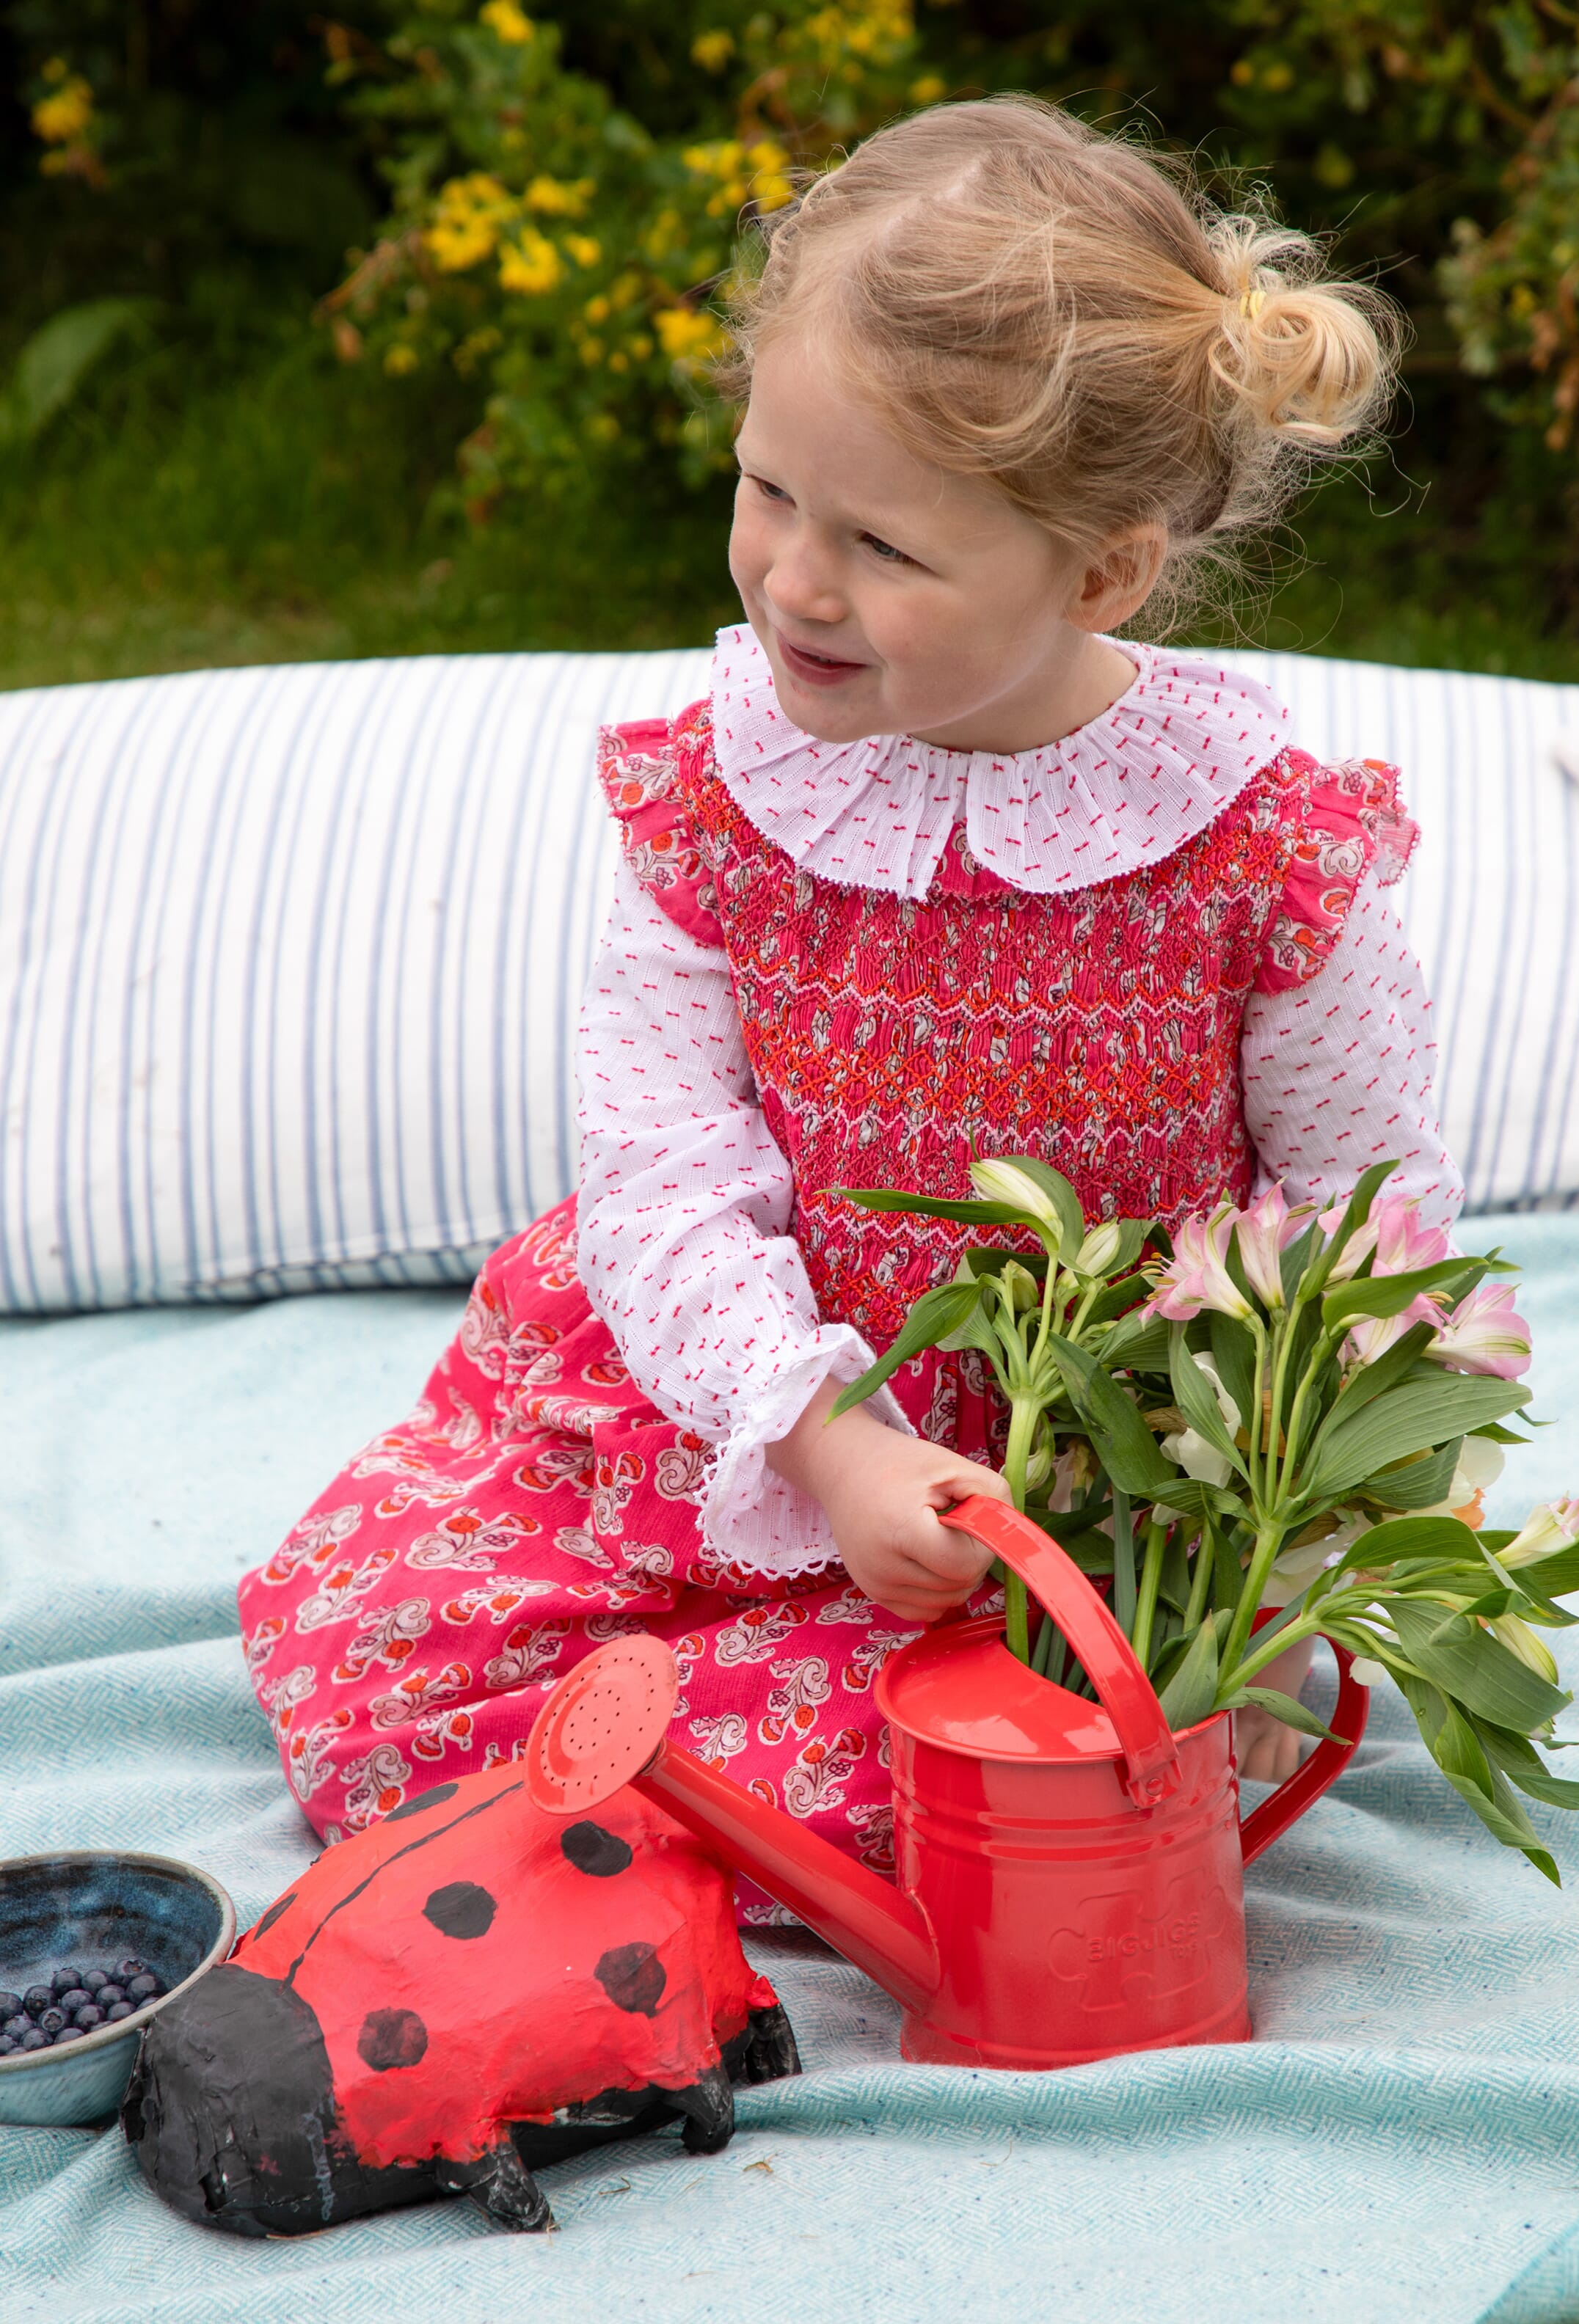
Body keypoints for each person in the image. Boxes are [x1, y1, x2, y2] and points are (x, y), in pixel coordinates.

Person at [239, 96, 1463, 1910]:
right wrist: (821, 1442)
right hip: (756, 1414)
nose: (795, 581)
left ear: (1100, 571)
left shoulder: (1255, 854)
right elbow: (656, 1164)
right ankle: (799, 1767)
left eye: (885, 549)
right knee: (386, 1664)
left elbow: (1364, 1220)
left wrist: (1267, 1546)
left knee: (1047, 1768)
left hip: (1080, 1479)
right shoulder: (725, 798)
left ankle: (1017, 1757)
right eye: (767, 489)